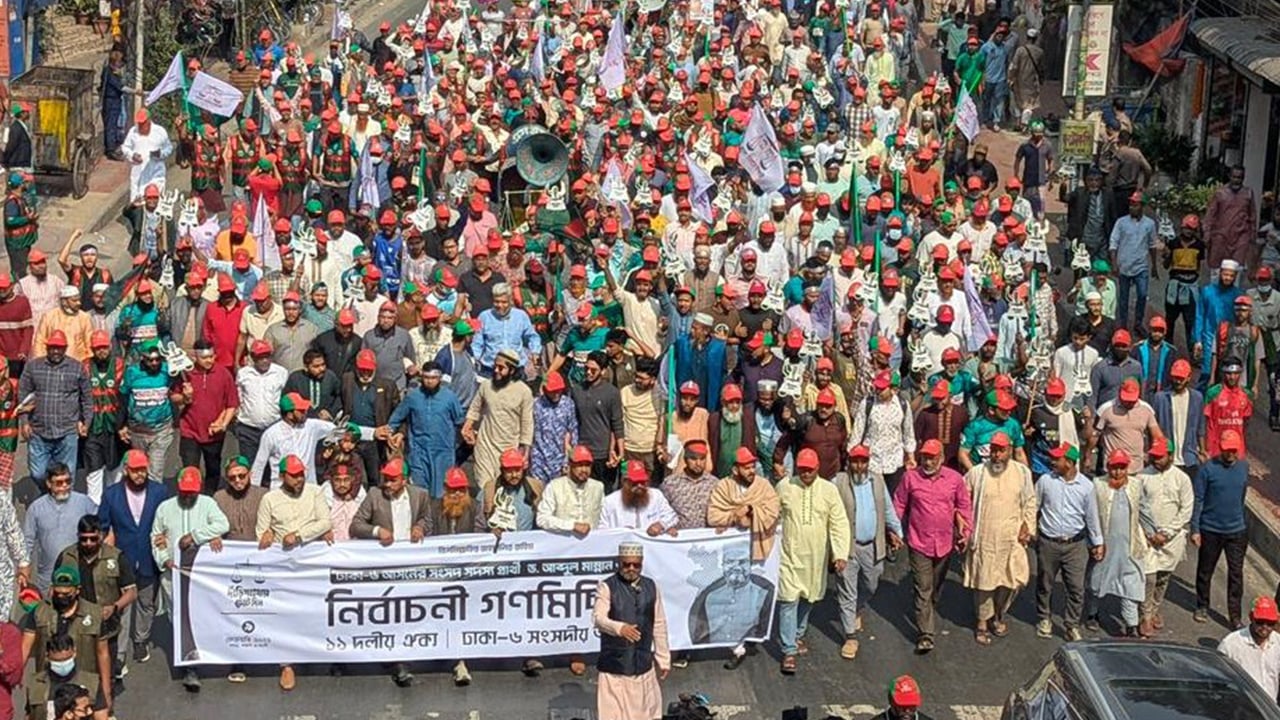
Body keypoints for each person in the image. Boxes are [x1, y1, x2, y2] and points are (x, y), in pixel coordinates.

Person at [255, 454, 332, 690]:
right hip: (283, 566)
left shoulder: (315, 491)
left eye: (301, 474)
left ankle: (316, 651)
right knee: (284, 614)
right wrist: (267, 536)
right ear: (282, 476)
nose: (299, 479)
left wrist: (299, 536)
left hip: (312, 563)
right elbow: (261, 532)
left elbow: (325, 522)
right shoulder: (269, 499)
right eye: (294, 475)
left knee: (315, 609)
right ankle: (286, 664)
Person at [149, 466, 229, 690]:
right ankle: (189, 666)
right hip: (173, 573)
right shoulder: (165, 508)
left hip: (199, 576)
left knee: (198, 617)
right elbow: (156, 536)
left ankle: (202, 656)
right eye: (184, 491)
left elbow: (222, 525)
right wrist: (164, 559)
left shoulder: (207, 504)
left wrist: (197, 536)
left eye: (192, 492)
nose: (187, 496)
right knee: (179, 619)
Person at [775, 448, 850, 674]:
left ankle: (797, 635)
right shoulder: (785, 486)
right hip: (789, 556)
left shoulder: (829, 490)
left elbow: (839, 523)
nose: (806, 473)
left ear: (817, 468)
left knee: (809, 597)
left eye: (810, 469)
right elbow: (771, 517)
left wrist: (840, 554)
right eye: (803, 469)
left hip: (816, 558)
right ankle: (788, 650)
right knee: (788, 600)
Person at [706, 446, 781, 668]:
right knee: (727, 597)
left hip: (757, 550)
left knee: (752, 596)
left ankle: (749, 635)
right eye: (746, 467)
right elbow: (713, 515)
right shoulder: (723, 487)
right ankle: (735, 646)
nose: (751, 470)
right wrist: (733, 515)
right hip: (730, 552)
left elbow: (772, 510)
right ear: (735, 469)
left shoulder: (764, 486)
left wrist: (750, 510)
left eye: (752, 466)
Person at [894, 440, 972, 653]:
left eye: (932, 458)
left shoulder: (955, 479)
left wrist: (965, 533)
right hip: (919, 542)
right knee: (923, 586)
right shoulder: (910, 477)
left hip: (945, 544)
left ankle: (926, 607)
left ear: (941, 458)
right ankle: (926, 633)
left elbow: (964, 506)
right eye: (925, 457)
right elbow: (899, 503)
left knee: (935, 586)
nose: (927, 462)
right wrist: (893, 530)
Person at [962, 431, 1037, 645]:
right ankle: (982, 623)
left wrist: (1027, 526)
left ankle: (999, 614)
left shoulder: (1022, 473)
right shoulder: (977, 473)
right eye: (993, 450)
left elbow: (1030, 501)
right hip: (985, 536)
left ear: (1010, 451)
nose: (996, 455)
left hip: (1011, 538)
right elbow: (963, 500)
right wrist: (962, 526)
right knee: (985, 582)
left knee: (1012, 579)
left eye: (1001, 450)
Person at [831, 444, 903, 660]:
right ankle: (850, 636)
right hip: (848, 548)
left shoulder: (877, 480)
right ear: (849, 462)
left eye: (863, 461)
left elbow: (888, 509)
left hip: (872, 546)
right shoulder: (838, 482)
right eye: (855, 461)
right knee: (846, 591)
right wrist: (835, 550)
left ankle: (856, 608)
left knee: (871, 585)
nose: (859, 465)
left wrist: (896, 530)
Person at [97, 449, 167, 667]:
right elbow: (102, 523)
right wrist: (106, 536)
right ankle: (120, 652)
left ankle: (141, 639)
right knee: (124, 606)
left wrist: (165, 537)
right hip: (123, 559)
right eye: (135, 470)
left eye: (143, 470)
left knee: (147, 603)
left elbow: (166, 520)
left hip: (148, 557)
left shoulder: (160, 492)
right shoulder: (111, 494)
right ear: (126, 470)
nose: (140, 475)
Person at [20, 565, 113, 720]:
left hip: (82, 682)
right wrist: (13, 677)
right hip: (48, 683)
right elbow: (25, 647)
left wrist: (106, 690)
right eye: (58, 593)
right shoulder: (39, 612)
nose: (62, 597)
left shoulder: (94, 614)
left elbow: (102, 653)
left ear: (77, 590)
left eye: (67, 594)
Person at [53, 515, 134, 691]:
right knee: (76, 675)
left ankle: (107, 710)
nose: (88, 543)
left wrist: (115, 607)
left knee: (107, 675)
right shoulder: (67, 557)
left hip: (106, 627)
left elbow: (131, 592)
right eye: (84, 539)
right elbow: (55, 590)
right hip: (75, 628)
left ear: (101, 535)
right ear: (78, 536)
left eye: (93, 539)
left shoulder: (116, 557)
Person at [593, 541, 670, 720]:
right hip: (615, 667)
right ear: (619, 562)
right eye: (626, 564)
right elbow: (598, 619)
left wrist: (663, 659)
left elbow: (659, 623)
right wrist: (620, 628)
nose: (631, 568)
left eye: (636, 565)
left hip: (642, 664)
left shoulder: (651, 586)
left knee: (646, 713)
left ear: (641, 563)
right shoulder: (607, 587)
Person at [1034, 442, 1102, 642]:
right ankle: (1044, 618)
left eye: (1057, 459)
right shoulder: (1046, 481)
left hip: (1076, 545)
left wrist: (1097, 542)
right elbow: (1034, 506)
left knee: (1075, 587)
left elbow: (1092, 517)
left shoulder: (1087, 487)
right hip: (1048, 541)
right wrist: (1028, 530)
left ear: (1070, 462)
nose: (1052, 461)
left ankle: (1071, 625)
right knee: (1045, 583)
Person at [1085, 449, 1149, 637]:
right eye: (1114, 468)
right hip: (1105, 546)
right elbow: (1090, 516)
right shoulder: (1098, 485)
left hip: (1129, 547)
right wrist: (1093, 542)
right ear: (1108, 467)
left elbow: (1144, 510)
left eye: (1122, 468)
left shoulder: (1136, 485)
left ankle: (1131, 626)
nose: (1118, 472)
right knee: (1097, 582)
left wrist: (1153, 533)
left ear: (1127, 468)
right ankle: (1092, 614)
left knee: (1131, 585)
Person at [1192, 429, 1250, 628]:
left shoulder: (1244, 468)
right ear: (1221, 449)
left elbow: (1242, 496)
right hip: (1211, 529)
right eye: (1227, 450)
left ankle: (1235, 615)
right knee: (1205, 570)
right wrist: (1195, 529)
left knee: (1236, 574)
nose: (1230, 454)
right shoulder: (1207, 469)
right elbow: (1198, 499)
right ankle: (1202, 605)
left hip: (1236, 531)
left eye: (1233, 450)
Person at [19, 330, 91, 482]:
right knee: (38, 473)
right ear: (47, 347)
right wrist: (24, 422)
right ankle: (48, 498)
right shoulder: (33, 367)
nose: (56, 351)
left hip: (67, 432)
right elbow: (23, 395)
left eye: (59, 347)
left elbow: (86, 398)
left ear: (65, 348)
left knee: (67, 475)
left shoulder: (77, 368)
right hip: (38, 431)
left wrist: (86, 422)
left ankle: (61, 502)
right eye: (52, 347)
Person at [1139, 439, 1193, 636]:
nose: (1156, 460)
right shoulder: (1143, 476)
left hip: (1172, 539)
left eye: (1160, 456)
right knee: (1149, 578)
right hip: (1147, 538)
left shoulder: (1182, 479)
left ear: (1170, 456)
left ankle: (1154, 609)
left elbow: (1186, 510)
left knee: (1163, 577)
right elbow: (1138, 508)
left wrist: (1167, 533)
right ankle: (1145, 616)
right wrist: (1149, 533)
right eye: (1153, 456)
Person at [387, 362, 466, 497]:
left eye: (433, 378)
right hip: (418, 453)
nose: (429, 381)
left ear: (440, 378)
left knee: (441, 494)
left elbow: (461, 422)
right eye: (426, 377)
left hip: (443, 453)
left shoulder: (450, 397)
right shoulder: (413, 396)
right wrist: (390, 433)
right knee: (419, 493)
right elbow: (396, 418)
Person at [462, 349, 534, 489]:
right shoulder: (486, 386)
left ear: (512, 370)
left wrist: (525, 451)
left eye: (501, 368)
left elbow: (527, 423)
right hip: (485, 446)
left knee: (503, 489)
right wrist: (467, 426)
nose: (496, 371)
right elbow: (475, 408)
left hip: (509, 447)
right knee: (484, 487)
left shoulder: (524, 391)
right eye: (495, 366)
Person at [23, 464, 97, 594]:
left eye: (67, 481)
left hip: (79, 574)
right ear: (48, 483)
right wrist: (24, 566)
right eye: (59, 482)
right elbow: (27, 541)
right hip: (48, 576)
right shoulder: (36, 508)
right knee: (46, 612)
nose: (64, 486)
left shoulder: (84, 502)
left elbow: (101, 527)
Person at [1217, 596, 1280, 698]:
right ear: (1251, 617)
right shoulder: (1230, 645)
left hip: (1269, 709)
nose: (1265, 627)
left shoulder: (1278, 642)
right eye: (1260, 621)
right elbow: (1218, 681)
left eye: (1270, 623)